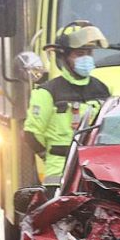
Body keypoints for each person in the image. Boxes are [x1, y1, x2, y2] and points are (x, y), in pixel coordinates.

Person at [24, 20, 111, 187]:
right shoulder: (48, 92)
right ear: (63, 57)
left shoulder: (102, 89)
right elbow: (32, 134)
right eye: (79, 54)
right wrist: (49, 155)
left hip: (96, 173)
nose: (85, 58)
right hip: (59, 174)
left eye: (88, 53)